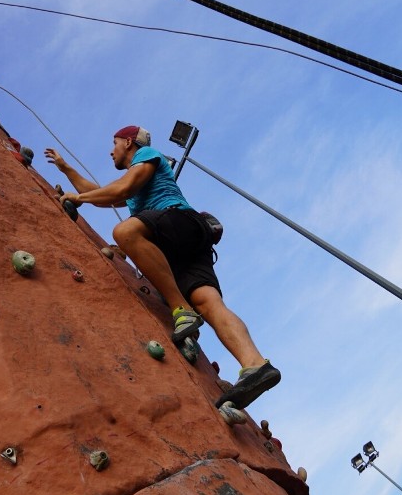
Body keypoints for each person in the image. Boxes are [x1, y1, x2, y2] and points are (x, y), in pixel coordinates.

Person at [44, 126, 280, 410]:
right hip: (183, 244)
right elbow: (103, 193)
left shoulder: (146, 155)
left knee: (126, 233)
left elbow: (119, 189)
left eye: (114, 143)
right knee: (209, 302)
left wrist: (78, 200)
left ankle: (181, 310)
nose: (111, 150)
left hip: (178, 222)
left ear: (129, 142)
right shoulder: (136, 180)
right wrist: (66, 168)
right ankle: (255, 365)